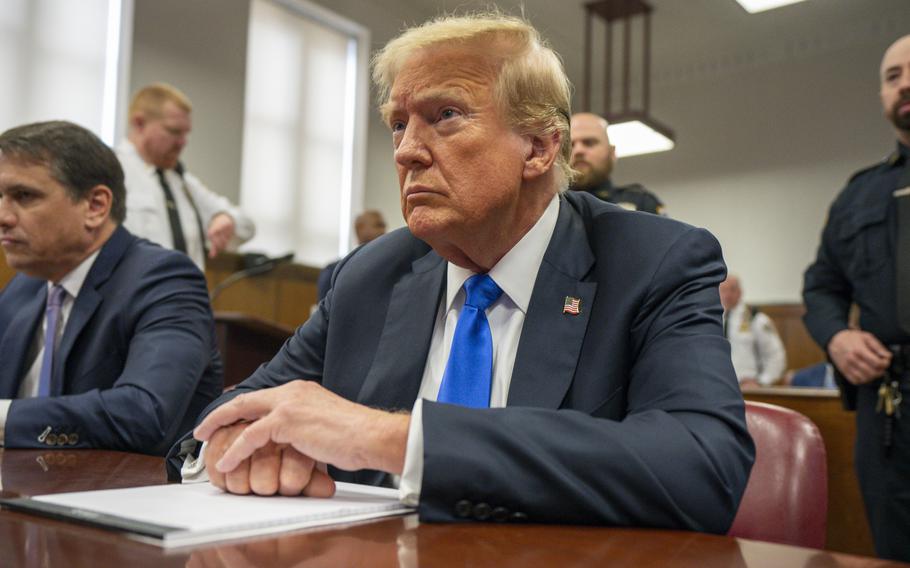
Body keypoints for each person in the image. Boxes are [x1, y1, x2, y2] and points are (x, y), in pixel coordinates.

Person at [177, 13, 753, 533]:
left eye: (444, 115)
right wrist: (235, 447)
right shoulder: (370, 273)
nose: (406, 151)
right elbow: (217, 424)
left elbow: (703, 467)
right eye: (398, 124)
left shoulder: (654, 261)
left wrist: (392, 440)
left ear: (539, 147)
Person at [0, 120, 222, 455]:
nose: (3, 215)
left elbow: (143, 414)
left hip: (131, 497)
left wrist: (5, 417)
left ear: (95, 206)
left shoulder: (164, 280)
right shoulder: (25, 289)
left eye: (24, 196)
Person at [802, 35, 910, 561]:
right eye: (892, 76)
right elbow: (821, 286)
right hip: (890, 405)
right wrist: (838, 337)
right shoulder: (859, 195)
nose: (905, 83)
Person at [118, 83, 255, 270]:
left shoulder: (182, 183)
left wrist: (226, 219)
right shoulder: (111, 173)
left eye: (186, 133)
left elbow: (247, 225)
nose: (183, 142)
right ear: (139, 123)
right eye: (174, 131)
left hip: (187, 296)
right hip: (136, 295)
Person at [569, 112, 665, 215]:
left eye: (589, 143)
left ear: (612, 152)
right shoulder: (553, 205)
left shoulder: (642, 204)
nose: (578, 151)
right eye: (570, 145)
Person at [719, 275, 787, 388]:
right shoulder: (714, 320)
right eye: (723, 290)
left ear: (740, 292)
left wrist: (762, 382)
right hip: (720, 386)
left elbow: (776, 356)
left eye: (732, 289)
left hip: (749, 389)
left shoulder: (756, 319)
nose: (727, 295)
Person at [317, 210, 387, 301]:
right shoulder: (334, 271)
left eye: (384, 226)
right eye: (378, 225)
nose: (383, 231)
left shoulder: (387, 269)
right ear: (359, 229)